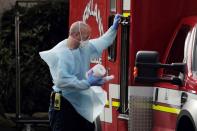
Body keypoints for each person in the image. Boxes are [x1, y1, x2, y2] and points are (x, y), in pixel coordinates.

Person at [39, 14, 121, 131]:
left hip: (80, 101)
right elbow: (63, 81)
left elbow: (102, 41)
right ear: (75, 35)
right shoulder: (61, 53)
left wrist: (113, 28)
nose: (87, 40)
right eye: (86, 37)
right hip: (64, 103)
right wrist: (87, 82)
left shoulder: (83, 47)